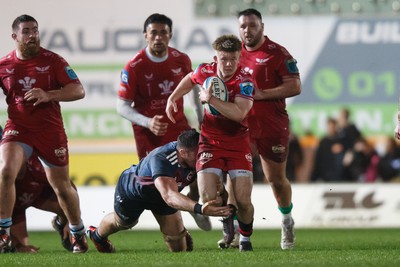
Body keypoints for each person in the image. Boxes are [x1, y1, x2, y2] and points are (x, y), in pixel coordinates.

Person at [0, 14, 87, 253]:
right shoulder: (4, 65)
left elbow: (78, 90)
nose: (32, 35)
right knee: (5, 170)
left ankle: (77, 232)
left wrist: (49, 95)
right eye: (26, 31)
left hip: (50, 131)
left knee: (61, 186)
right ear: (15, 36)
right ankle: (3, 233)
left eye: (35, 30)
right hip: (19, 128)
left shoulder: (53, 61)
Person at [116, 13, 209, 231]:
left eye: (163, 33)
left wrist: (200, 119)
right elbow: (121, 106)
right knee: (161, 182)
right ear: (145, 35)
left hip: (178, 126)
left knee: (197, 167)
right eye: (154, 33)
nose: (158, 37)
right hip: (149, 134)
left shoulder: (181, 59)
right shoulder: (134, 66)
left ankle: (194, 201)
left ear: (170, 35)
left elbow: (193, 91)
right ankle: (174, 227)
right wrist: (148, 122)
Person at [166, 34, 255, 252]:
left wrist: (211, 99)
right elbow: (189, 78)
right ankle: (227, 223)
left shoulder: (245, 80)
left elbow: (239, 112)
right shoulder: (205, 71)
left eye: (233, 59)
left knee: (243, 200)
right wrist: (173, 98)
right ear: (216, 57)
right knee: (208, 197)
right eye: (224, 59)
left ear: (239, 57)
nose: (228, 64)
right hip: (210, 141)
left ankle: (244, 238)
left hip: (238, 142)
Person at [86, 129, 232, 253]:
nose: (201, 156)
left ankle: (179, 231)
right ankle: (97, 236)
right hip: (134, 192)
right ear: (183, 152)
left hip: (163, 197)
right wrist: (200, 209)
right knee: (124, 222)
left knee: (178, 249)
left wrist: (219, 200)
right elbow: (169, 196)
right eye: (197, 153)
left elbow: (201, 183)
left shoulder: (198, 158)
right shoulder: (162, 159)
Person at [237, 8, 301, 250]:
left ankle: (286, 220)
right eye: (243, 26)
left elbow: (295, 86)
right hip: (241, 126)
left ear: (262, 27)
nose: (247, 30)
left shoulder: (277, 53)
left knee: (275, 179)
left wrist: (262, 94)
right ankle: (235, 231)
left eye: (252, 25)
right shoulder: (233, 53)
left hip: (271, 125)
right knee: (236, 177)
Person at [311, 117, 345, 182]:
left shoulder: (341, 141)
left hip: (339, 177)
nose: (331, 129)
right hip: (325, 176)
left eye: (333, 127)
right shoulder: (323, 142)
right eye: (329, 127)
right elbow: (318, 160)